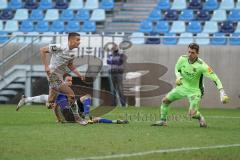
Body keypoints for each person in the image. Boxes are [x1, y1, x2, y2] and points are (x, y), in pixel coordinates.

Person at [152, 43, 230, 127]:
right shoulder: (182, 59)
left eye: (192, 53)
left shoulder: (202, 65)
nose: (190, 54)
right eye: (189, 52)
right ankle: (163, 121)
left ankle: (200, 117)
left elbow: (215, 78)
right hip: (182, 87)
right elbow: (177, 68)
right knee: (165, 101)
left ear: (197, 54)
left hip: (195, 91)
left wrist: (222, 91)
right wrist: (178, 77)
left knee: (192, 114)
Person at [16, 76, 129, 124]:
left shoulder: (68, 92)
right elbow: (51, 106)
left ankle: (115, 121)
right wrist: (59, 118)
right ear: (64, 81)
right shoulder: (59, 91)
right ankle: (26, 100)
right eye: (68, 80)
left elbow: (53, 105)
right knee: (47, 98)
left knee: (87, 98)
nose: (70, 82)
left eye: (71, 80)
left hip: (74, 113)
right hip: (68, 115)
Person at [39, 32, 87, 125]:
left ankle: (44, 102)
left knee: (51, 101)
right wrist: (46, 67)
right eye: (77, 40)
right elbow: (42, 50)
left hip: (60, 75)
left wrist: (79, 75)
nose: (79, 42)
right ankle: (77, 118)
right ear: (71, 40)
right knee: (71, 94)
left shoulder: (73, 53)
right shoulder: (59, 47)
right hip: (52, 74)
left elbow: (70, 65)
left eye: (79, 40)